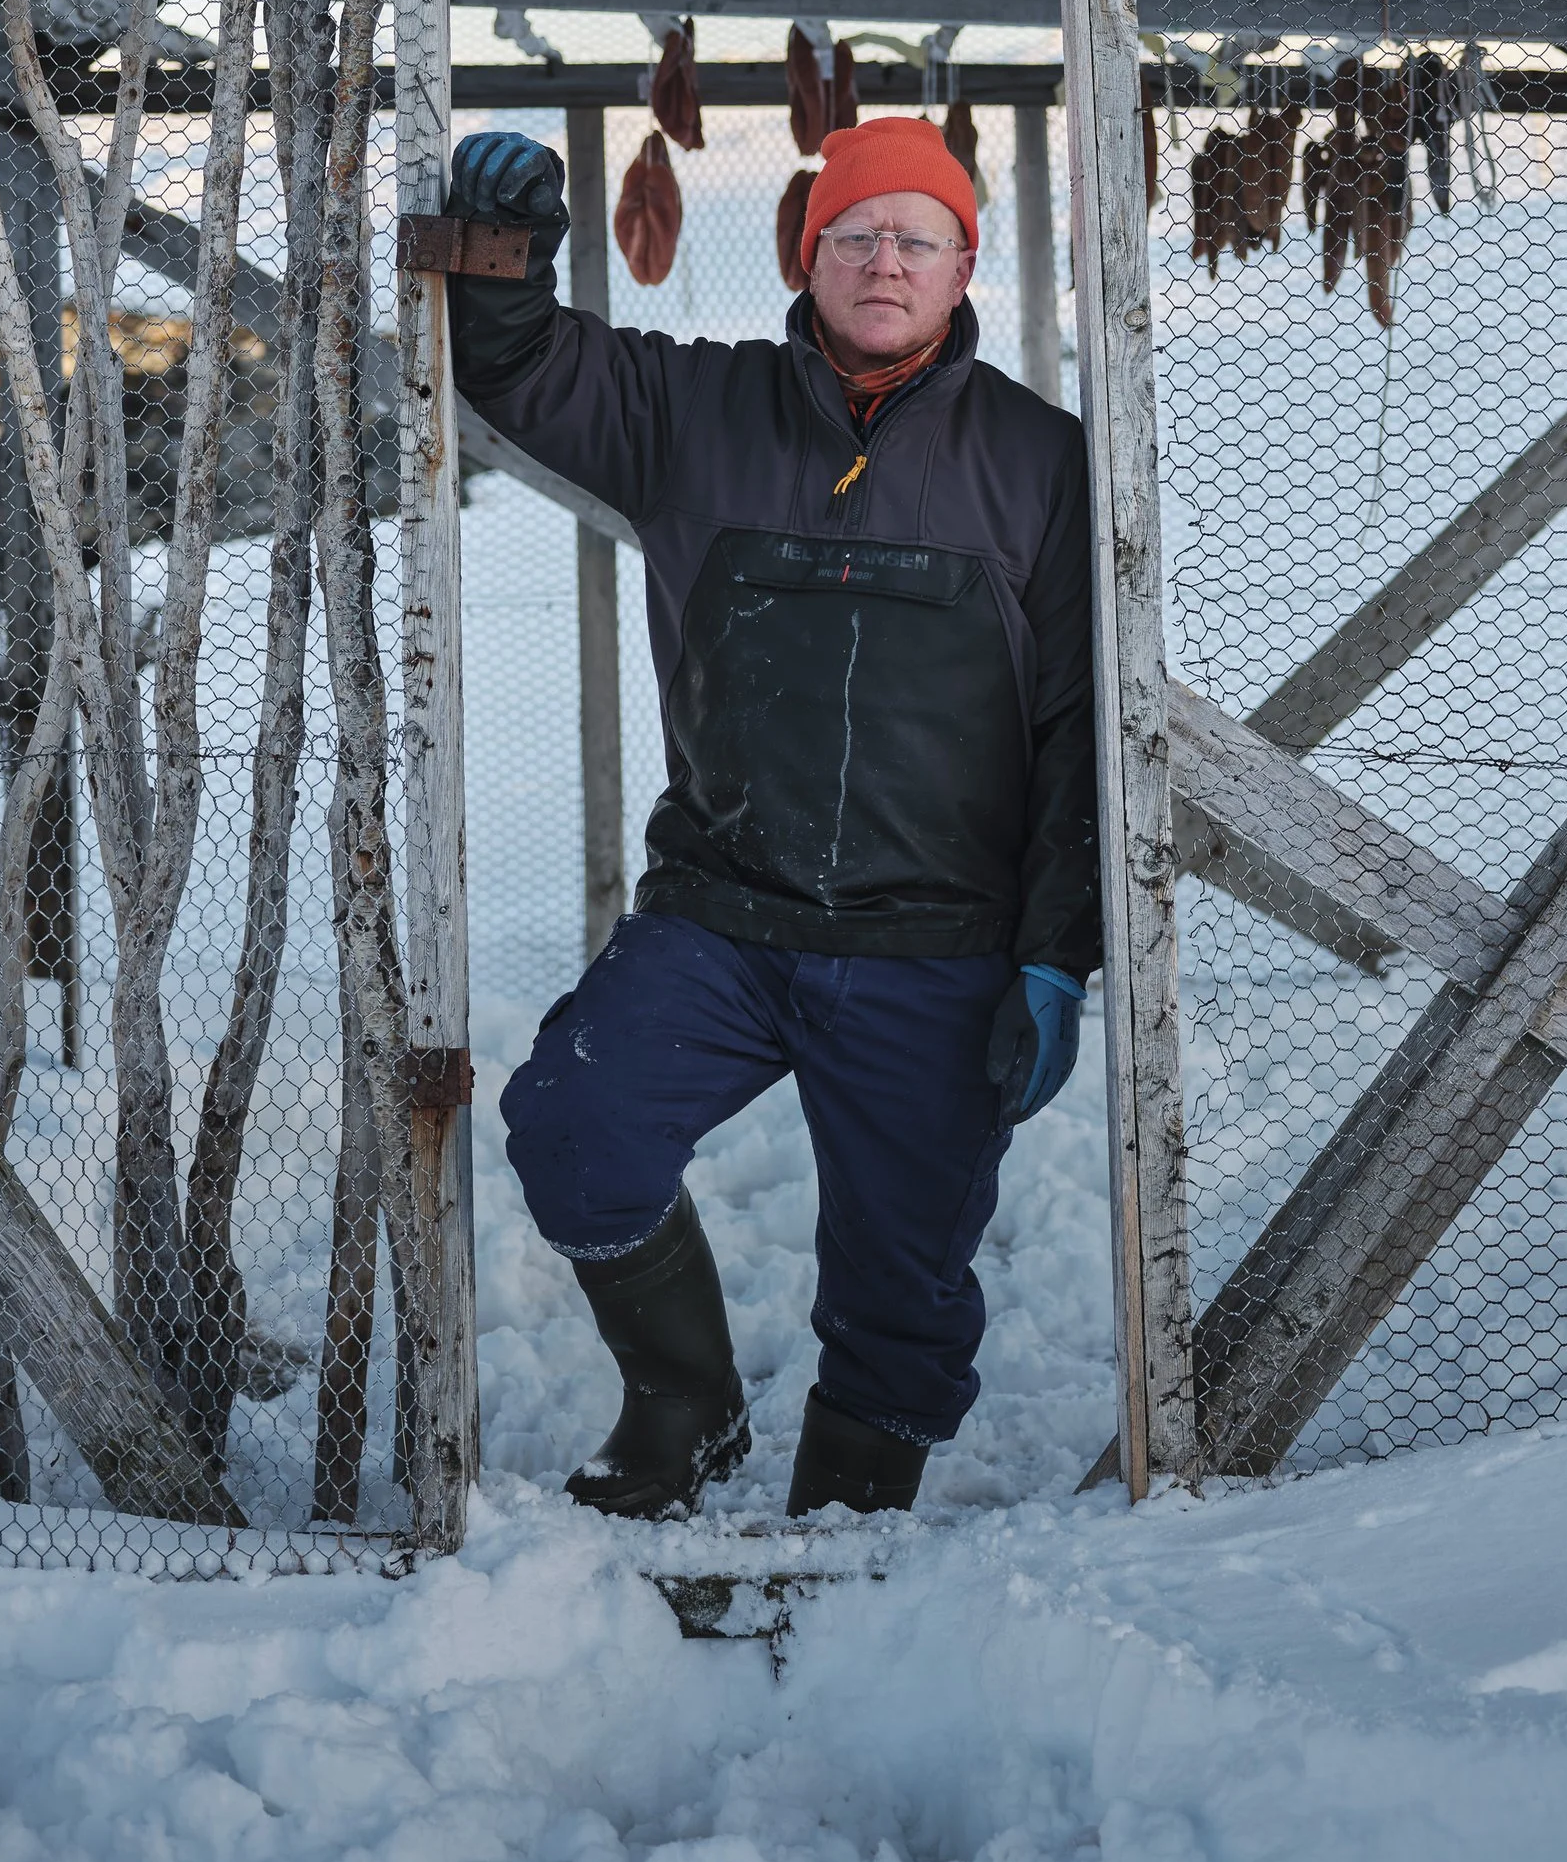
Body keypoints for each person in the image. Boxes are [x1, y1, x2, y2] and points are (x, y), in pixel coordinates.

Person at [445, 111, 1098, 1522]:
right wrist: (500, 258)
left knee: (906, 1276)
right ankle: (684, 1406)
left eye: (916, 237)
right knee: (574, 1123)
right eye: (854, 234)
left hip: (937, 944)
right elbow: (519, 368)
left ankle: (848, 1526)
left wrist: (1058, 952)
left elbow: (1076, 731)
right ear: (807, 256)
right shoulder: (697, 410)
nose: (884, 261)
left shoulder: (1045, 464)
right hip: (726, 918)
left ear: (963, 262)